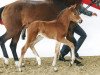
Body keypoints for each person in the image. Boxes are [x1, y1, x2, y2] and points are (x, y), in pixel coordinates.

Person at [59, 1, 97, 65]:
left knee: (83, 35)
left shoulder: (78, 4)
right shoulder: (66, 4)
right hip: (68, 25)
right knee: (70, 39)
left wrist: (91, 13)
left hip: (74, 24)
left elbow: (83, 9)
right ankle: (63, 54)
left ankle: (74, 52)